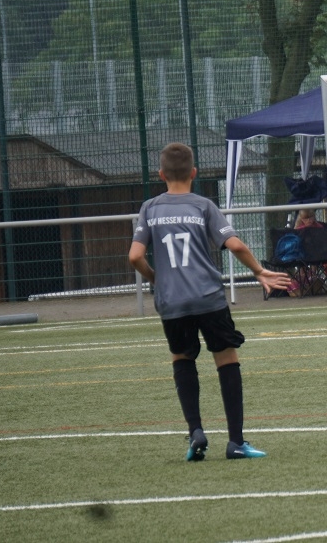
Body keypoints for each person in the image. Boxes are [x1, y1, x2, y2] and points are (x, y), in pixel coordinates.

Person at [128, 142, 291, 461]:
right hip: (208, 298)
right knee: (226, 358)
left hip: (172, 302)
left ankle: (196, 432)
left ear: (161, 175)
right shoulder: (203, 206)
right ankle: (236, 442)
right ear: (194, 173)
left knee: (182, 358)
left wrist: (156, 278)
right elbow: (235, 245)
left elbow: (135, 256)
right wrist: (259, 271)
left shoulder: (149, 208)